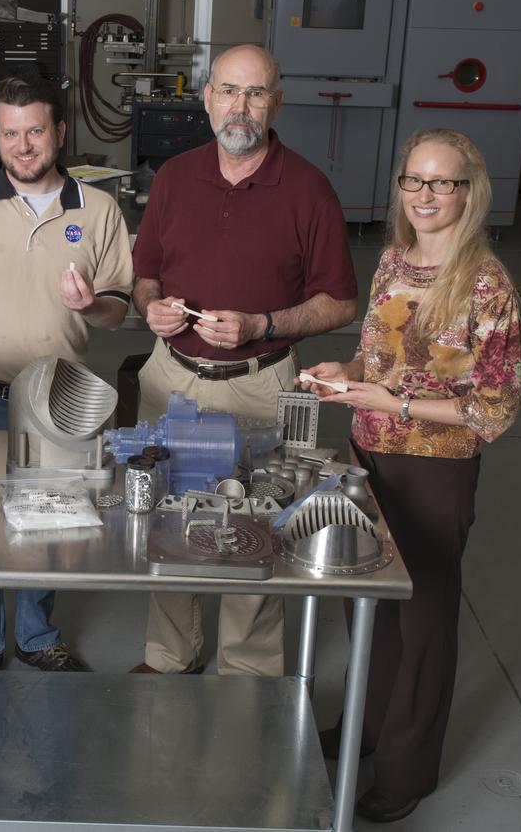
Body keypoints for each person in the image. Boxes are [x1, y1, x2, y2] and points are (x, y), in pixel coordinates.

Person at [299, 128, 521, 822]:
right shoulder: (394, 260)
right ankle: (367, 728)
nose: (425, 195)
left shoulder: (486, 284)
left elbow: (495, 408)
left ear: (468, 192)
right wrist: (350, 375)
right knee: (367, 605)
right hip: (368, 455)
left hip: (436, 470)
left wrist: (391, 400)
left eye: (442, 183)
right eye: (413, 181)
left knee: (423, 622)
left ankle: (406, 770)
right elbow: (377, 353)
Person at [131, 44, 358, 678]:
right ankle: (169, 655)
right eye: (229, 91)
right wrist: (151, 309)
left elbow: (340, 302)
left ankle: (248, 669)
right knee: (165, 518)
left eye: (255, 94)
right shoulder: (175, 178)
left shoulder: (308, 189)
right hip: (173, 375)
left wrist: (264, 324)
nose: (241, 107)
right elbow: (144, 276)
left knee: (256, 526)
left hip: (261, 384)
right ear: (206, 98)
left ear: (276, 103)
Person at [0, 73, 133, 672]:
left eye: (36, 131)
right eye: (9, 133)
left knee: (53, 517)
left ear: (60, 132)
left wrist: (88, 305)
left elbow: (119, 311)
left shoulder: (98, 209)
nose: (23, 146)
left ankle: (39, 636)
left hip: (58, 399)